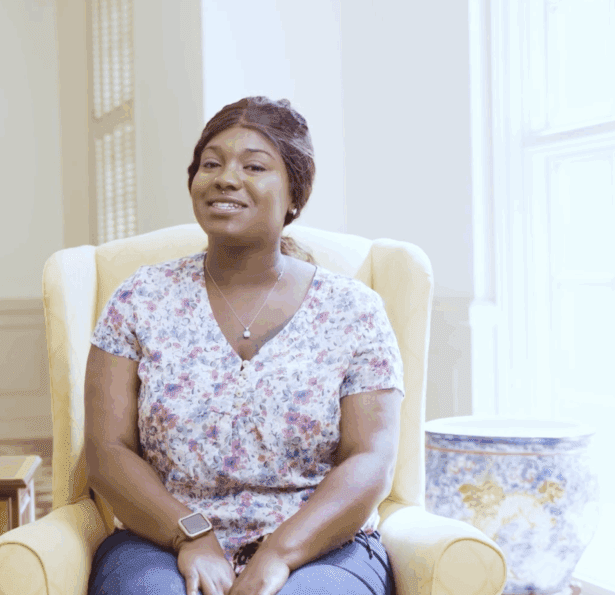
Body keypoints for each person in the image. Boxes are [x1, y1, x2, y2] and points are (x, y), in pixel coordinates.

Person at [84, 96, 405, 595]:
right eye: (211, 164)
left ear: (295, 192)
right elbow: (108, 450)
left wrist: (279, 553)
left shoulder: (353, 311)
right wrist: (191, 534)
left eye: (254, 166)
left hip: (323, 547)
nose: (226, 179)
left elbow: (370, 460)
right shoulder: (140, 299)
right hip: (159, 541)